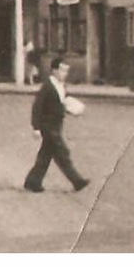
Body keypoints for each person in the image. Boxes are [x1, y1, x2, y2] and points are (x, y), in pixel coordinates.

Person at [24, 57, 89, 194]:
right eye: (62, 70)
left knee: (45, 155)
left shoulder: (61, 86)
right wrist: (36, 127)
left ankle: (32, 182)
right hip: (48, 126)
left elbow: (61, 103)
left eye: (66, 71)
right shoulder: (48, 86)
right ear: (54, 70)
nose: (65, 73)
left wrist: (72, 108)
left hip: (57, 125)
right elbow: (37, 107)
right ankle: (77, 181)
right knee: (62, 153)